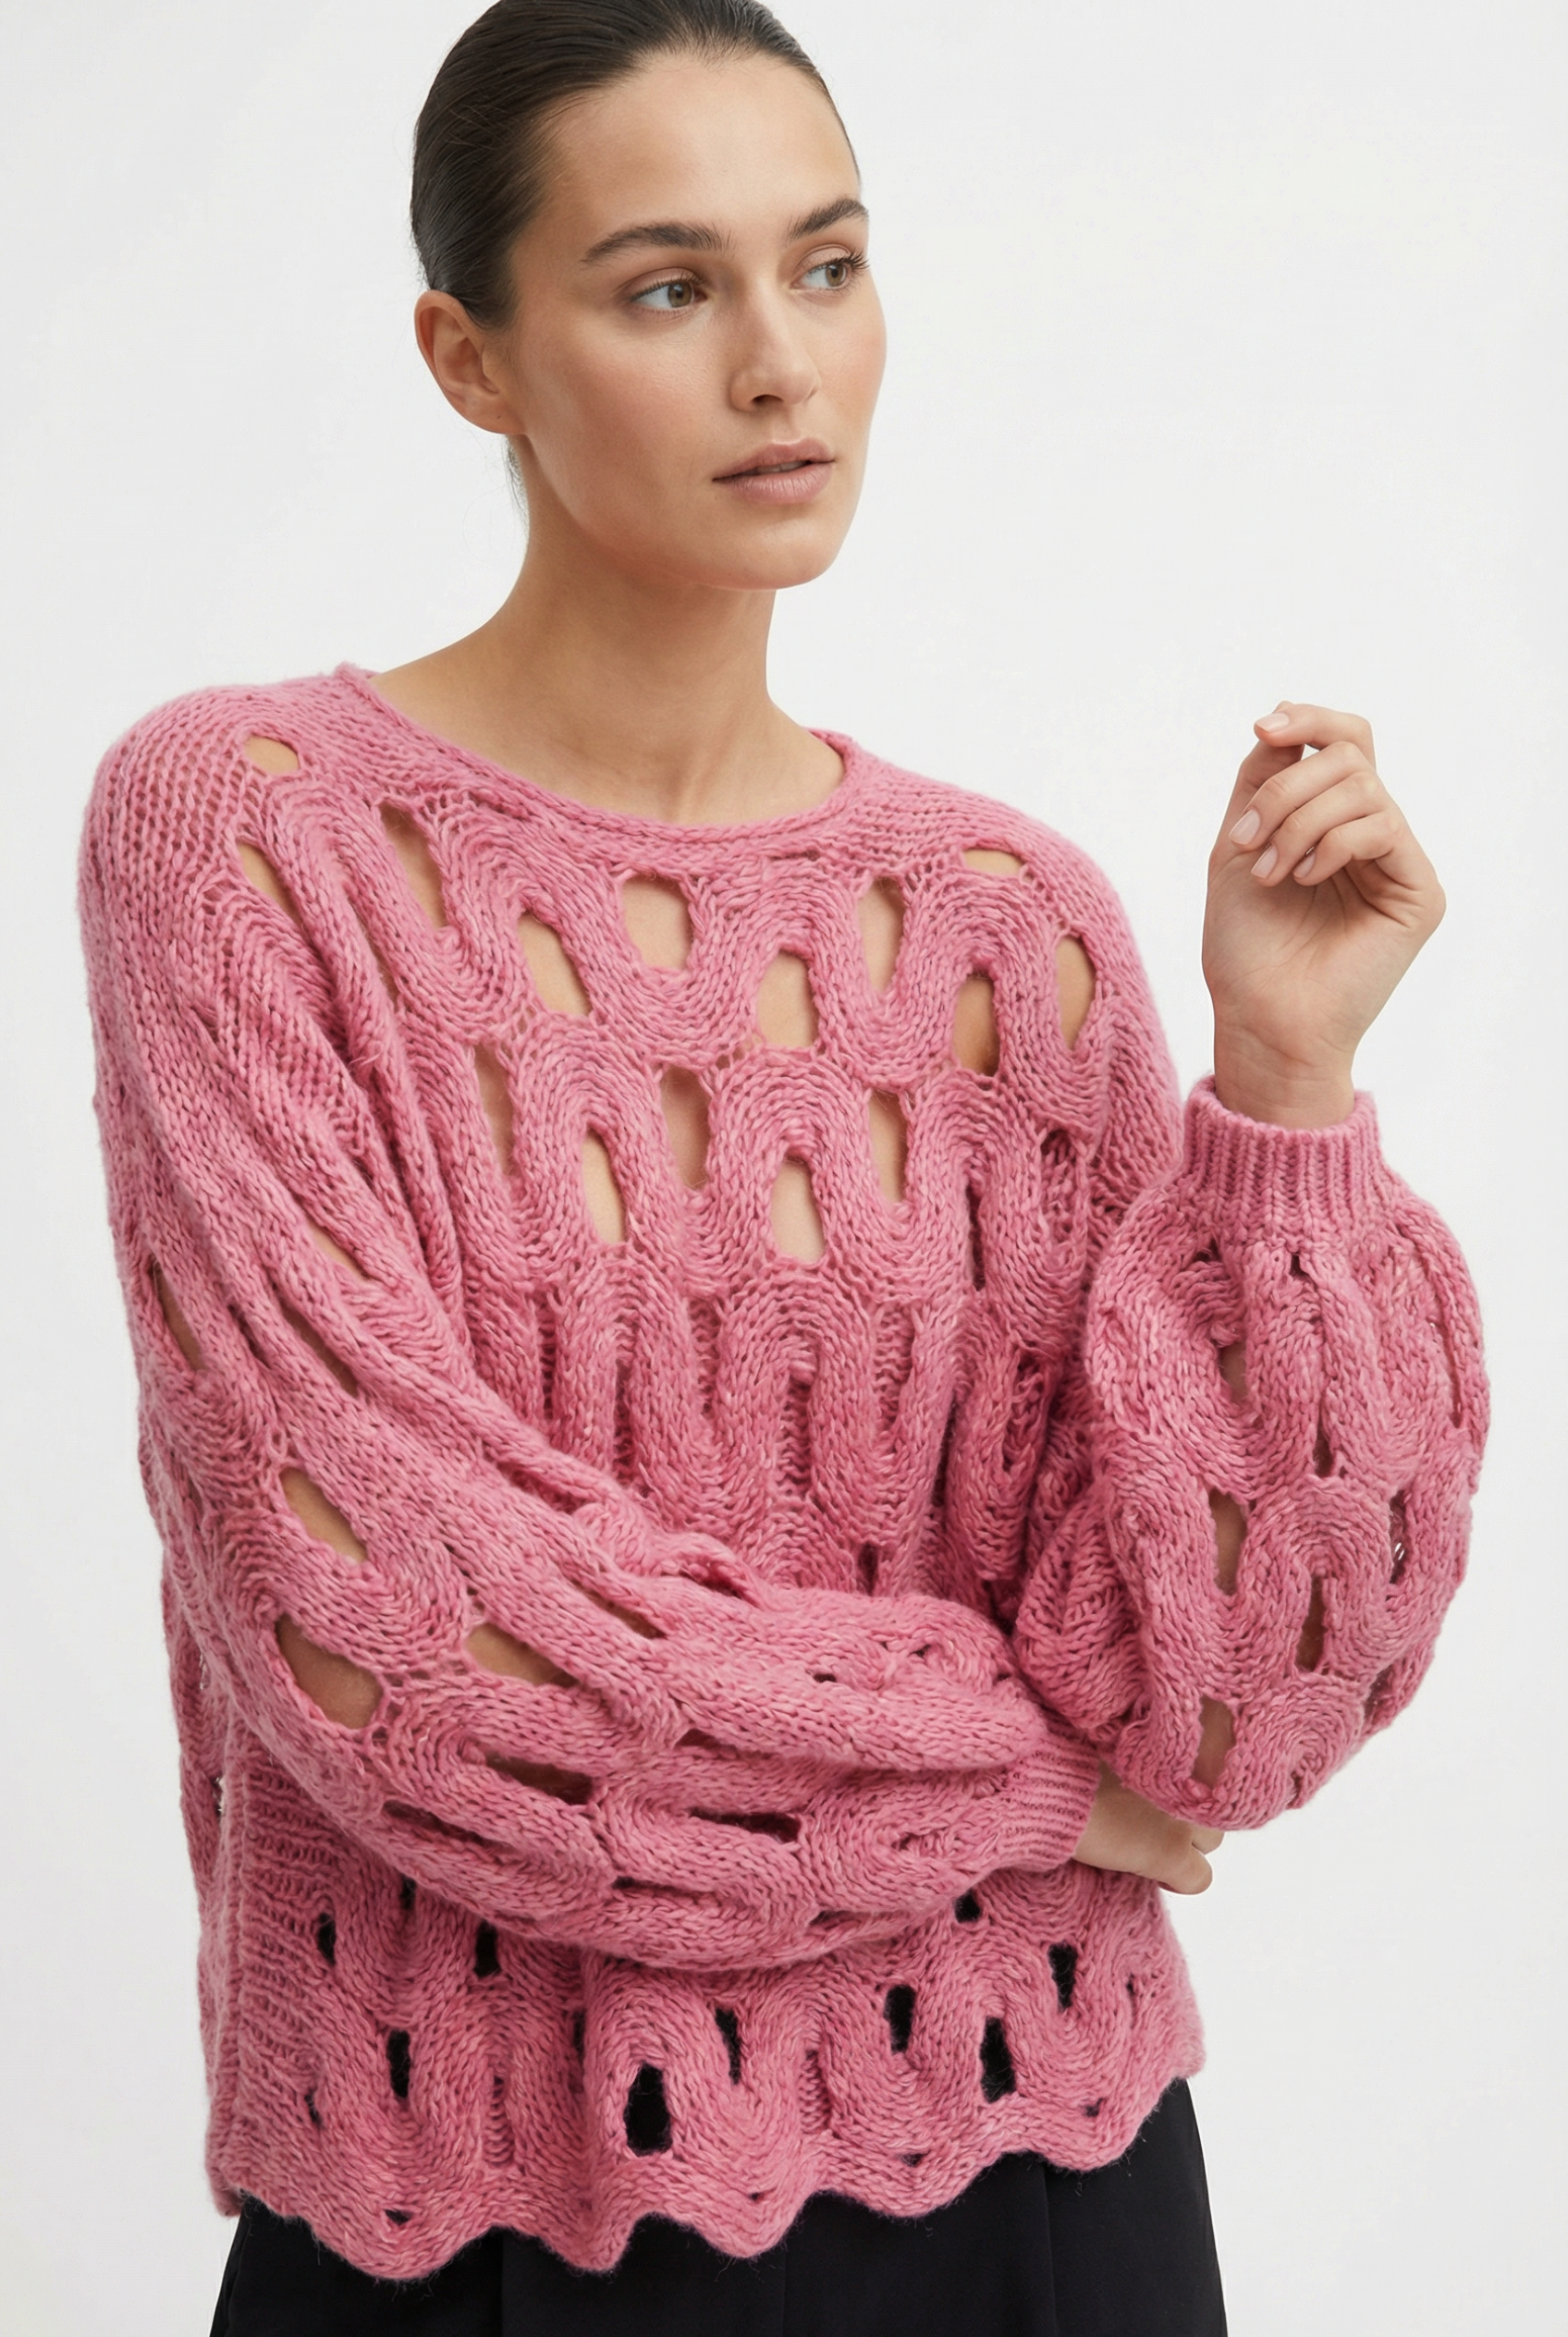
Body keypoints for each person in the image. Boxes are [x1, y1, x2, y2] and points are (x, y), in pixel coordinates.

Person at [77, 3, 1488, 2331]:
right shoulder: (248, 840)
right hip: (470, 2205)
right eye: (667, 286)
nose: (777, 362)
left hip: (1041, 2182)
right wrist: (1027, 1788)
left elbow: (1230, 1706)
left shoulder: (1003, 928)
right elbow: (391, 1629)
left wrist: (1281, 1090)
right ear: (467, 358)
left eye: (825, 266)